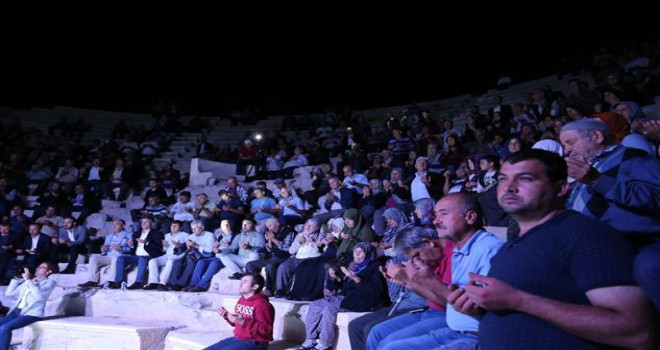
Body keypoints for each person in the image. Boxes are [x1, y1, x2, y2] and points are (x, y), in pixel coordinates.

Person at [451, 149, 655, 349]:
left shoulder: (586, 235)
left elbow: (636, 332)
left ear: (561, 188)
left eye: (525, 179)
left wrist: (519, 300)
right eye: (503, 179)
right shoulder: (512, 245)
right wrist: (482, 311)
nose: (509, 187)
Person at [204, 273, 274, 350]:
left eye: (245, 282)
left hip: (256, 342)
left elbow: (266, 329)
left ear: (255, 286)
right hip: (238, 338)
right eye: (241, 281)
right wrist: (227, 316)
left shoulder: (262, 304)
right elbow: (239, 322)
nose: (240, 284)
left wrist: (242, 321)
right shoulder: (242, 300)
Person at [1, 261, 57, 349]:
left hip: (32, 313)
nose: (38, 268)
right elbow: (10, 293)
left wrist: (28, 280)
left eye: (41, 267)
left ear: (49, 271)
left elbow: (39, 297)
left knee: (5, 328)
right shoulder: (30, 281)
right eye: (38, 266)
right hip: (17, 311)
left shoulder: (50, 283)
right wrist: (17, 278)